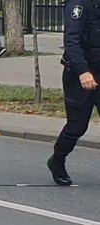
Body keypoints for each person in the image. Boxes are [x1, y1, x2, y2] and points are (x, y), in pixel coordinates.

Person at [48, 0, 100, 186]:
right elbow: (71, 40)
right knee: (77, 125)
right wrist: (83, 71)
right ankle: (57, 160)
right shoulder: (78, 4)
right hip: (79, 73)